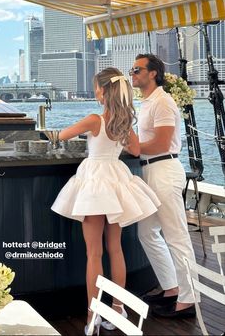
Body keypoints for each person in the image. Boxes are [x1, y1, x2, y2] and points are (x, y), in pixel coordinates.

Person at [51, 67, 160, 334]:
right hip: (116, 181)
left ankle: (93, 317)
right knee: (116, 250)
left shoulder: (93, 119)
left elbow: (61, 135)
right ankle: (117, 310)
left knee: (94, 254)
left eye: (96, 88)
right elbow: (134, 149)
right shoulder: (124, 122)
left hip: (94, 184)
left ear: (102, 91)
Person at [130, 54, 197, 318]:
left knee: (176, 235)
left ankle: (189, 299)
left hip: (164, 169)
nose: (132, 73)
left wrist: (131, 146)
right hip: (149, 172)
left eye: (137, 69)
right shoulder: (147, 103)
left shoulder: (164, 103)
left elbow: (160, 143)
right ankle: (171, 288)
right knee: (146, 232)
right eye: (132, 69)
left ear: (153, 73)